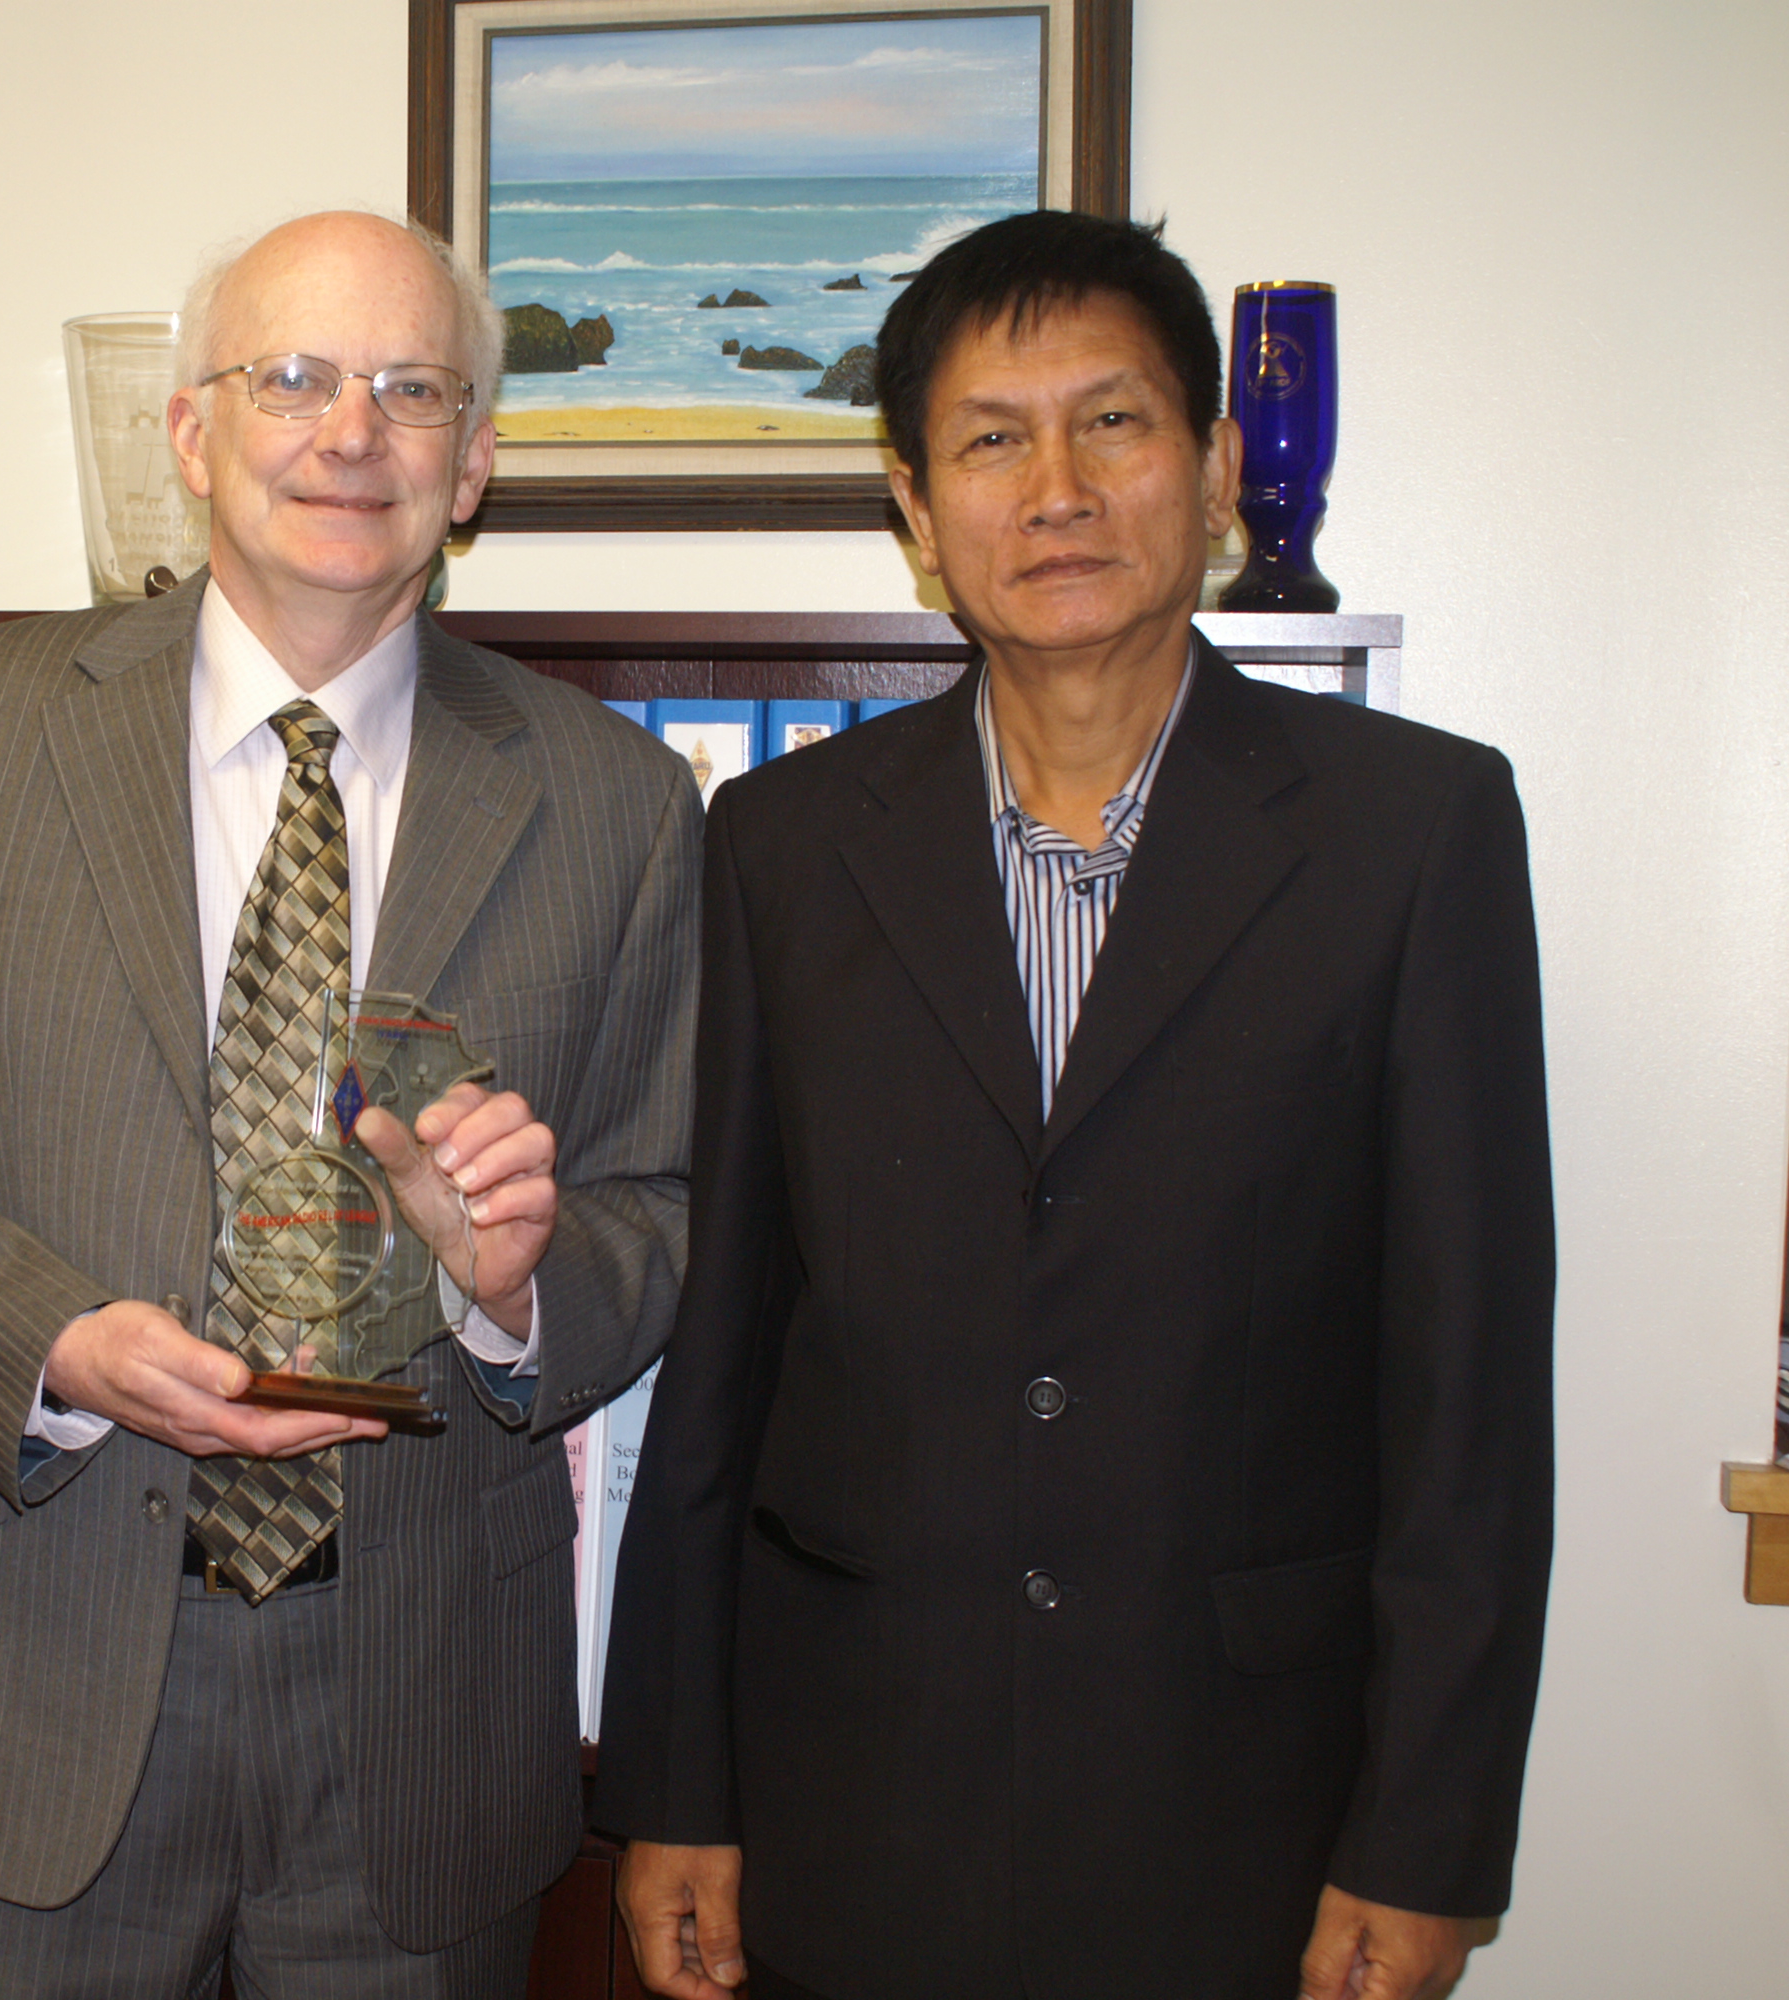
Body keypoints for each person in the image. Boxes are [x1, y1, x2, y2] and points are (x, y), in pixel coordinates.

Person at [595, 210, 1555, 2000]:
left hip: (1248, 1809)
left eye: (1112, 422)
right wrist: (677, 1785)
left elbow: (1471, 1401)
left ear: (1216, 466)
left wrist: (1427, 1838)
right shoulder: (784, 849)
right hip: (855, 1797)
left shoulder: (1412, 832)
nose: (1057, 490)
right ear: (915, 505)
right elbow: (723, 1354)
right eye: (990, 440)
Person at [0, 210, 698, 1996]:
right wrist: (55, 1348)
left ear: (473, 464)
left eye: (412, 390)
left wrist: (511, 1290)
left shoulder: (618, 802)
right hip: (41, 1657)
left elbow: (655, 1209)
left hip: (423, 1705)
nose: (351, 433)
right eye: (293, 378)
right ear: (193, 433)